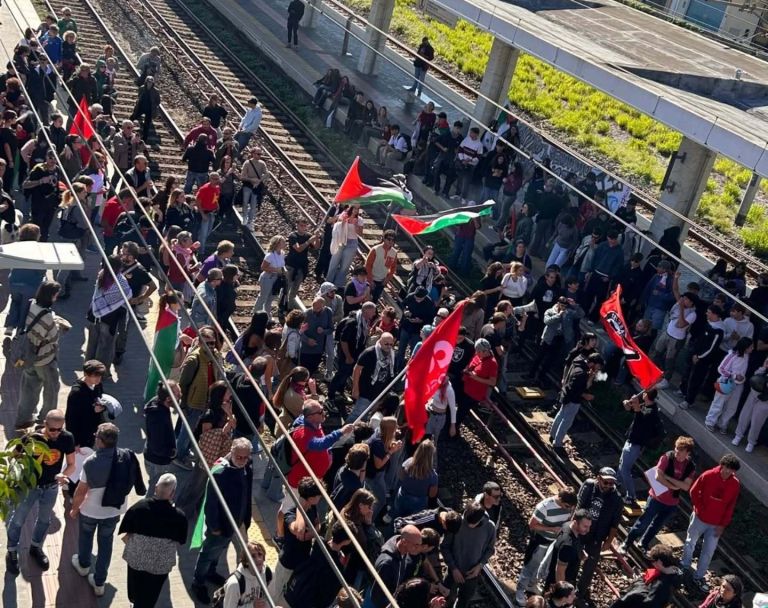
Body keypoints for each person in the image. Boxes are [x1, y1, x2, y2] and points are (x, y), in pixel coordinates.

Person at [70, 423, 145, 597]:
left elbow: (81, 492)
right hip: (113, 511)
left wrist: (74, 510)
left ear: (100, 441)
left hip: (90, 510)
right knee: (106, 544)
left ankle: (83, 564)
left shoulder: (91, 462)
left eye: (97, 436)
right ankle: (99, 582)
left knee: (86, 537)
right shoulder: (126, 456)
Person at [5, 410, 75, 574]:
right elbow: (14, 456)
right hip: (30, 486)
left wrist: (64, 475)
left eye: (60, 429)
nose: (56, 433)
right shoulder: (32, 438)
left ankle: (35, 548)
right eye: (52, 429)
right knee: (18, 520)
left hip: (50, 487)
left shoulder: (66, 438)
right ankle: (12, 551)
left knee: (44, 520)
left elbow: (71, 463)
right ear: (45, 424)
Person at [190, 438, 253, 604]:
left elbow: (247, 492)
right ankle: (198, 582)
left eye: (246, 457)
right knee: (208, 553)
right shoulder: (219, 473)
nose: (243, 461)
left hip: (236, 523)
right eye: (239, 457)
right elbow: (211, 503)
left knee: (219, 550)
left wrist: (245, 519)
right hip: (220, 526)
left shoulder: (247, 466)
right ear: (231, 452)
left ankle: (211, 571)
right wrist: (214, 526)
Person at [118, 473, 188, 608]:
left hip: (136, 558)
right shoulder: (179, 517)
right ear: (172, 493)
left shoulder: (139, 507)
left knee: (134, 585)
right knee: (151, 592)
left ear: (156, 488)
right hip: (159, 565)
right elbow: (181, 540)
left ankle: (134, 601)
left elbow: (125, 527)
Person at [622, 436, 696, 553]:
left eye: (681, 450)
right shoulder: (667, 457)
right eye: (676, 448)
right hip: (656, 498)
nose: (677, 452)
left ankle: (643, 543)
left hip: (671, 503)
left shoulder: (690, 466)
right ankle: (627, 543)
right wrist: (674, 486)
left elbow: (686, 486)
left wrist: (667, 477)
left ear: (687, 452)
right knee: (643, 523)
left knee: (656, 526)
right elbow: (658, 477)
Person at [681, 454, 741, 593]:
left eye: (730, 470)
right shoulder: (708, 475)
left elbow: (730, 506)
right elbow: (694, 491)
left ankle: (699, 576)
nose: (727, 472)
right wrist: (701, 509)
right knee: (690, 542)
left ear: (734, 471)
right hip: (699, 518)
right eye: (725, 468)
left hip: (716, 524)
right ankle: (684, 565)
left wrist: (722, 525)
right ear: (721, 466)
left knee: (709, 551)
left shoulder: (735, 484)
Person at [16, 281, 71, 430]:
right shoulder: (48, 317)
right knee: (51, 391)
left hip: (27, 357)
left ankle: (23, 419)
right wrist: (60, 326)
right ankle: (44, 422)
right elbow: (54, 338)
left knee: (28, 389)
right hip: (45, 359)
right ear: (52, 295)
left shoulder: (31, 304)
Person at [514, 487, 577, 606]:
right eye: (567, 506)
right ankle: (520, 590)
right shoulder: (544, 507)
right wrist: (552, 529)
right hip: (541, 541)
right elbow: (532, 525)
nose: (569, 509)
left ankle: (532, 585)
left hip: (555, 542)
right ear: (560, 499)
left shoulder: (569, 507)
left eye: (571, 507)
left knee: (544, 568)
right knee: (531, 565)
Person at [270, 477, 322, 606]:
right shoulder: (291, 514)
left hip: (301, 562)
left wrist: (309, 534)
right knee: (274, 594)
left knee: (289, 595)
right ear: (309, 497)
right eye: (318, 494)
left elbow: (318, 525)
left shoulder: (312, 508)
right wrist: (300, 507)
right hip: (288, 562)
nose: (320, 497)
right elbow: (299, 531)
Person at [284, 521, 356, 608]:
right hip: (309, 601)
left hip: (296, 589)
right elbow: (328, 595)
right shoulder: (337, 568)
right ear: (346, 541)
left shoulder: (319, 543)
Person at [576, 468, 622, 598]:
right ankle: (567, 582)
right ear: (598, 478)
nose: (608, 486)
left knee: (590, 564)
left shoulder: (617, 499)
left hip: (597, 535)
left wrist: (608, 541)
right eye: (606, 482)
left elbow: (615, 524)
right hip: (580, 530)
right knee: (573, 555)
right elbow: (578, 506)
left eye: (611, 483)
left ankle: (581, 591)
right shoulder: (589, 486)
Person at [441, 502, 496, 608]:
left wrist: (480, 565)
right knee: (445, 600)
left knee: (464, 601)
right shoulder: (457, 522)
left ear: (480, 520)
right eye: (466, 522)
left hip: (472, 574)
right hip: (453, 572)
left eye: (473, 524)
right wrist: (453, 568)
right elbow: (444, 547)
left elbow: (490, 549)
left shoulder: (490, 527)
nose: (469, 525)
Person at [617, 389, 663, 504]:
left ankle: (631, 496)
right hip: (631, 440)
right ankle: (616, 482)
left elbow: (640, 419)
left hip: (636, 444)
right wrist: (627, 403)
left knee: (625, 469)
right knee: (622, 464)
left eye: (644, 393)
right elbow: (631, 409)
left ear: (646, 395)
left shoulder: (652, 412)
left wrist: (636, 405)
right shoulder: (645, 406)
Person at [550, 353, 604, 449]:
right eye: (598, 366)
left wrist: (591, 376)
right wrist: (585, 395)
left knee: (561, 415)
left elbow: (584, 385)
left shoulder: (579, 363)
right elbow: (574, 388)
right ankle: (557, 443)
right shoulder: (581, 374)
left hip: (566, 396)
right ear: (593, 363)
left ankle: (553, 434)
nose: (598, 368)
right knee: (566, 422)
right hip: (573, 399)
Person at [704, 336, 752, 433]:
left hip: (738, 386)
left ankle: (722, 424)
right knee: (719, 403)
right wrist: (734, 376)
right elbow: (721, 368)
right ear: (745, 347)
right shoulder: (732, 355)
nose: (752, 349)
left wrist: (741, 378)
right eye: (750, 347)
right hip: (726, 383)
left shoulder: (746, 356)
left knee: (732, 407)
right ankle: (710, 422)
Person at [609, 544, 681, 608]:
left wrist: (639, 582)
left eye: (652, 560)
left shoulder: (660, 586)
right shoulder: (674, 572)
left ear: (659, 562)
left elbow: (648, 603)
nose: (652, 563)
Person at [369, 525, 423, 608]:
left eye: (420, 544)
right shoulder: (387, 563)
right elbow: (377, 595)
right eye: (416, 545)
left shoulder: (403, 550)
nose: (419, 548)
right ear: (404, 542)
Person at [144, 380, 181, 495]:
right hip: (157, 461)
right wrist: (171, 453)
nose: (181, 395)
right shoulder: (158, 417)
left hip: (154, 456)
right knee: (155, 490)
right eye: (177, 394)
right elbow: (157, 446)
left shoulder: (159, 403)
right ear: (168, 399)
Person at [350, 333, 396, 422]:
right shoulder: (369, 353)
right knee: (357, 415)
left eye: (391, 344)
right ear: (380, 341)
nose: (389, 346)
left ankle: (359, 433)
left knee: (369, 417)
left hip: (380, 393)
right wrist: (355, 388)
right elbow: (357, 369)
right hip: (366, 391)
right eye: (386, 344)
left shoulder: (393, 355)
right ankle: (343, 434)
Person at [542, 509, 591, 588]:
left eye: (589, 526)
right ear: (575, 522)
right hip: (558, 583)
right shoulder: (567, 546)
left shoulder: (567, 525)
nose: (588, 530)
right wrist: (563, 593)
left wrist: (580, 552)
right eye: (585, 526)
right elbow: (560, 572)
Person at [219, 542, 271, 608]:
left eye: (260, 554)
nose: (258, 559)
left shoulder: (267, 573)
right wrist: (252, 606)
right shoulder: (234, 584)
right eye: (253, 556)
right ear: (246, 561)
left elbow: (267, 600)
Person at [395, 440, 438, 517]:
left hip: (403, 497)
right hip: (419, 503)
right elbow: (432, 495)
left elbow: (400, 476)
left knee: (398, 519)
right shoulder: (433, 475)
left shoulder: (408, 462)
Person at [254, 234, 286, 319]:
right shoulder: (270, 255)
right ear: (278, 243)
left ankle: (267, 316)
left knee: (270, 298)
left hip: (277, 279)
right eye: (283, 242)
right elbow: (263, 267)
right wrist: (276, 270)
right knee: (263, 297)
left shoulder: (282, 254)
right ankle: (256, 314)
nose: (285, 243)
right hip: (268, 278)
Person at [365, 230, 398, 303]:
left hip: (381, 281)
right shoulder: (375, 249)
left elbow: (393, 268)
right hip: (370, 279)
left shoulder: (394, 253)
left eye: (393, 240)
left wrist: (387, 279)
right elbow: (368, 265)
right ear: (384, 238)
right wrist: (370, 280)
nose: (390, 241)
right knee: (365, 299)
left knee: (374, 300)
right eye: (389, 239)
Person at [131, 76, 160, 142]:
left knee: (147, 124)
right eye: (148, 81)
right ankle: (127, 130)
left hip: (149, 109)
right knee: (133, 117)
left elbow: (158, 101)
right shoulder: (142, 88)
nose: (149, 83)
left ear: (153, 83)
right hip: (141, 107)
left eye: (151, 82)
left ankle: (144, 139)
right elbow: (139, 96)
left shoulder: (155, 91)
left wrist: (154, 105)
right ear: (146, 82)